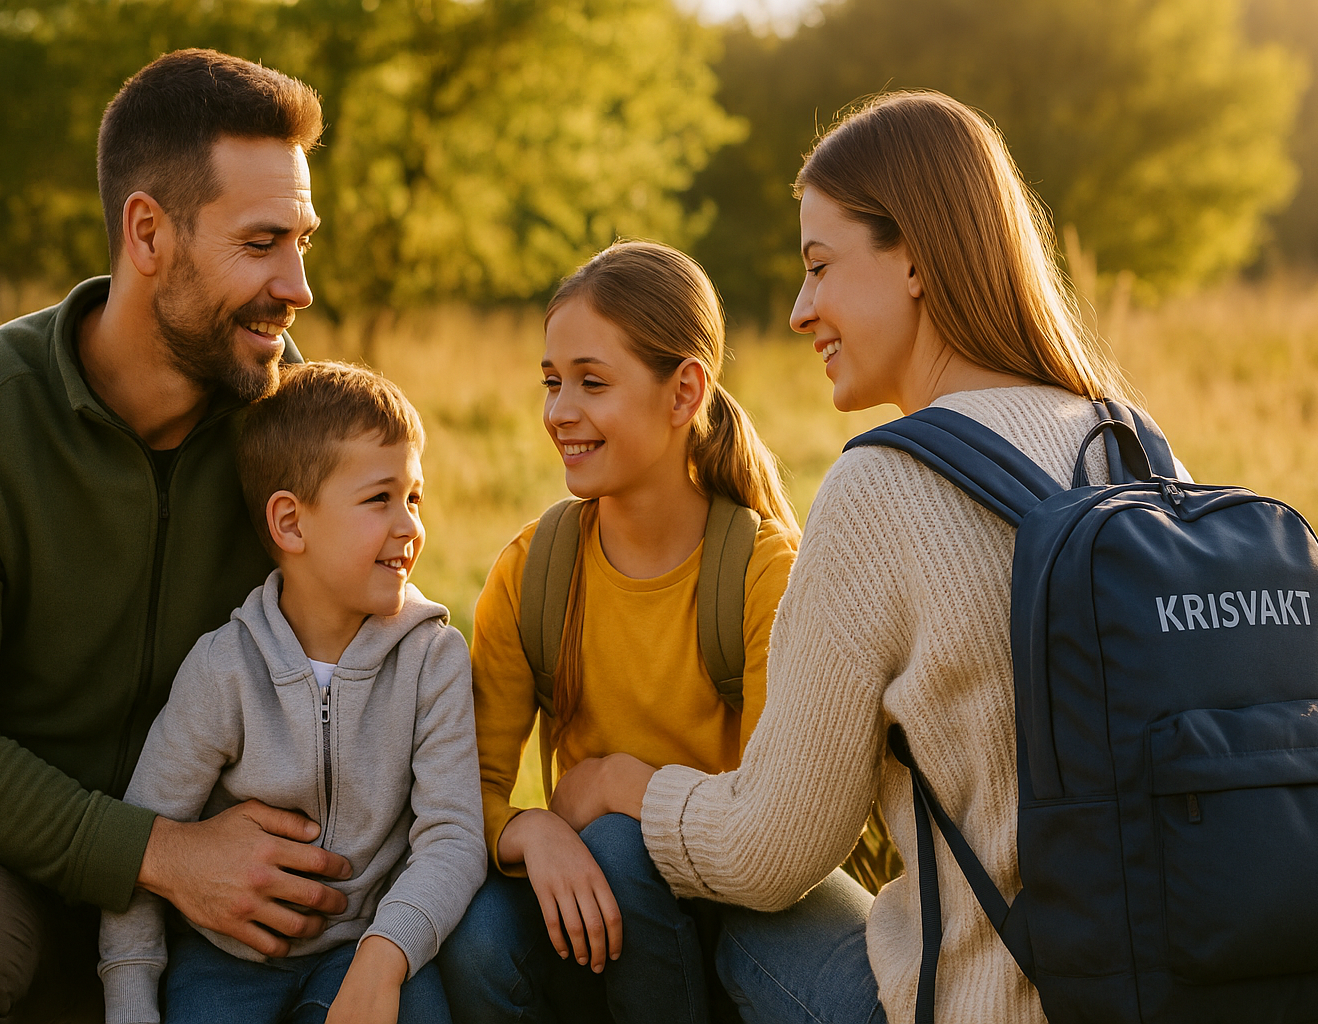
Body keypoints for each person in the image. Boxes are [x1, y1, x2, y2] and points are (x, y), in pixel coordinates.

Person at [550, 91, 1147, 1024]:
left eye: (820, 266)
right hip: (1180, 973)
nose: (799, 311)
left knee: (723, 905)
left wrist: (623, 784)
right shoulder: (1130, 442)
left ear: (913, 259)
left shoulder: (886, 487)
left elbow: (772, 851)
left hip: (1001, 1004)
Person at [0, 50, 357, 1022]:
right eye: (262, 243)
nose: (298, 287)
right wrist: (161, 855)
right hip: (4, 875)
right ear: (148, 232)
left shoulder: (300, 433)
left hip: (229, 897)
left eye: (304, 243)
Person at [434, 242, 801, 1024]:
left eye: (591, 383)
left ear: (683, 393)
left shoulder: (765, 573)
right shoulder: (533, 571)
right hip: (608, 909)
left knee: (622, 842)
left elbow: (778, 815)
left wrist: (612, 783)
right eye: (552, 382)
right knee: (477, 939)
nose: (559, 411)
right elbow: (467, 797)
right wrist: (532, 831)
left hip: (749, 905)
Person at [98, 361, 485, 1024]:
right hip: (225, 958)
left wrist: (385, 955)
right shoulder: (223, 670)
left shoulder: (431, 658)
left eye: (415, 497)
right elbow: (145, 840)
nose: (410, 526)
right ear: (291, 523)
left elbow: (452, 836)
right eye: (379, 499)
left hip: (369, 948)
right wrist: (131, 999)